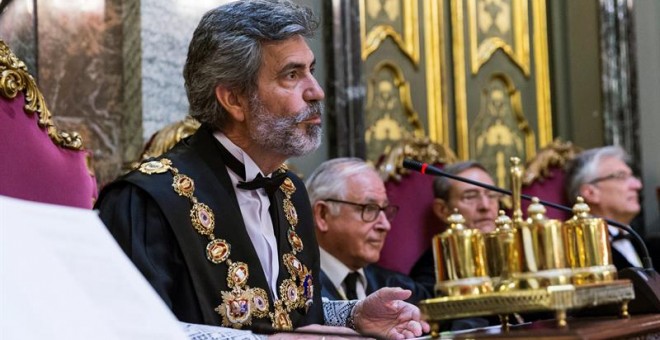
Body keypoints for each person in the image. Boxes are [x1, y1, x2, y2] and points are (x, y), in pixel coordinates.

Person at [95, 1, 428, 339]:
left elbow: (282, 313)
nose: (316, 91)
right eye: (292, 74)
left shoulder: (290, 192)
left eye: (310, 70)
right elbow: (126, 327)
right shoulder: (146, 201)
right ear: (234, 99)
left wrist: (354, 316)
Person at [305, 158, 432, 304]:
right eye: (369, 209)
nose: (385, 225)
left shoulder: (396, 288)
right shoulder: (294, 289)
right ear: (322, 215)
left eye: (384, 209)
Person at [409, 161, 501, 294]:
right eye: (470, 196)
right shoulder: (431, 270)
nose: (485, 206)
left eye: (492, 195)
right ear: (443, 210)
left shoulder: (514, 251)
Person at [564, 145, 644, 269]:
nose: (637, 185)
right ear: (590, 193)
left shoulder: (645, 244)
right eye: (621, 176)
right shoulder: (578, 252)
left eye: (632, 176)